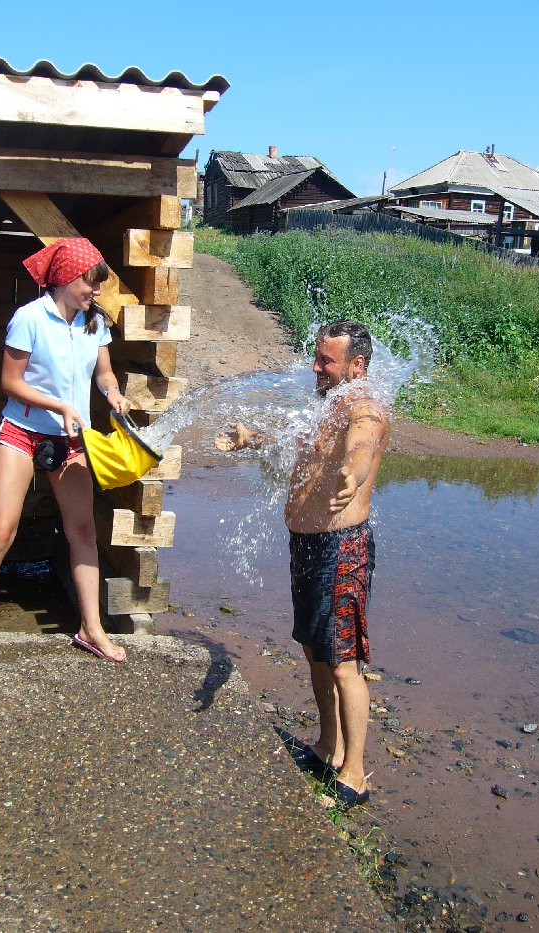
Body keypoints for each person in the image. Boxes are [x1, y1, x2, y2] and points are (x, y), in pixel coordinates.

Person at [215, 320, 390, 808]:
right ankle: (328, 748)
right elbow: (304, 446)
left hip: (341, 549)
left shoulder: (366, 406)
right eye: (316, 357)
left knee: (344, 664)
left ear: (357, 365)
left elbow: (361, 444)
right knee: (316, 654)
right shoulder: (329, 404)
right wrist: (253, 438)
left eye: (326, 361)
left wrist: (353, 473)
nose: (315, 367)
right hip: (308, 546)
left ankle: (354, 776)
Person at [0, 238, 130, 672]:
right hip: (22, 432)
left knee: (82, 530)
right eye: (91, 282)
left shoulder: (94, 322)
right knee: (1, 531)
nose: (97, 291)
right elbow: (11, 383)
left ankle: (91, 628)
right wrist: (60, 406)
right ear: (65, 278)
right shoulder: (29, 318)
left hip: (72, 439)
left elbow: (104, 374)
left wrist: (114, 394)